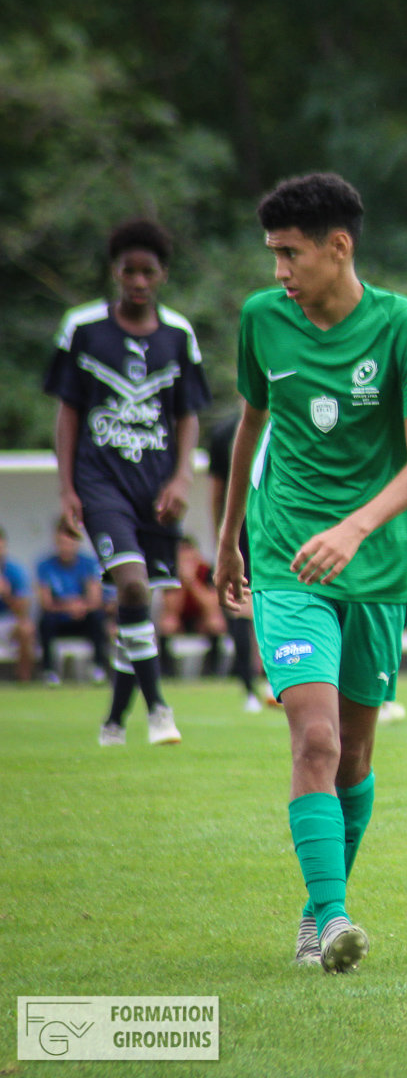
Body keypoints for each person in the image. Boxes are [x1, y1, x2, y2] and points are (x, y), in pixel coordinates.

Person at [214, 173, 407, 975]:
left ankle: (320, 901)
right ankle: (333, 918)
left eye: (291, 254)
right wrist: (228, 540)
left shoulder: (405, 328)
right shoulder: (261, 320)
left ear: (338, 247)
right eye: (273, 255)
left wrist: (354, 530)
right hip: (287, 560)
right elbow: (250, 426)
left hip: (377, 567)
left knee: (355, 755)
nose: (279, 271)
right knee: (313, 739)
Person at [44, 218, 208, 745]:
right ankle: (160, 710)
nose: (137, 280)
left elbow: (188, 414)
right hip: (99, 481)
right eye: (128, 270)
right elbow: (68, 411)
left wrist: (182, 477)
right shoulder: (83, 328)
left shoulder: (179, 335)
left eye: (147, 271)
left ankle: (114, 723)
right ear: (114, 271)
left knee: (139, 607)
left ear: (161, 275)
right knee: (133, 586)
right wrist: (68, 486)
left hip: (156, 487)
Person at [207, 411, 278, 712]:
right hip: (252, 530)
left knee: (265, 603)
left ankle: (267, 685)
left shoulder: (281, 419)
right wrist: (224, 541)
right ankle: (252, 685)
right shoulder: (226, 432)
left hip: (273, 526)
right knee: (242, 604)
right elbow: (218, 491)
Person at [35, 516, 111, 688]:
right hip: (59, 618)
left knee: (98, 618)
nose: (66, 546)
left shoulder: (88, 563)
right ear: (56, 541)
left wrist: (80, 606)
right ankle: (49, 671)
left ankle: (98, 667)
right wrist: (67, 607)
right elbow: (45, 602)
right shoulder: (45, 565)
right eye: (62, 542)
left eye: (70, 541)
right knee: (45, 621)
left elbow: (95, 598)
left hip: (82, 617)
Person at [157, 536, 227, 677]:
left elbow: (211, 606)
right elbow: (172, 608)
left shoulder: (207, 571)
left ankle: (212, 671)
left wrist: (192, 582)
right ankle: (167, 672)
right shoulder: (171, 573)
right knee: (167, 623)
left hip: (201, 618)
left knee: (216, 623)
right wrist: (183, 583)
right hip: (180, 618)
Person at [0, 527, 38, 683]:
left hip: (7, 621)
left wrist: (6, 594)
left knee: (26, 629)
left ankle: (23, 679)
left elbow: (24, 612)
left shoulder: (16, 571)